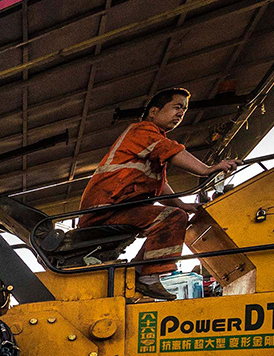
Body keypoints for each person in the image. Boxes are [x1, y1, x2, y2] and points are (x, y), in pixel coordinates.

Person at [79, 87, 240, 301]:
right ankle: (147, 276)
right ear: (154, 111)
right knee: (172, 218)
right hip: (106, 209)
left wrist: (181, 204)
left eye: (183, 110)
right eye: (176, 107)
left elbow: (161, 183)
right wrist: (207, 169)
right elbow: (172, 151)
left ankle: (140, 272)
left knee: (175, 213)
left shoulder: (148, 145)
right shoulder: (142, 130)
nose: (180, 114)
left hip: (116, 208)